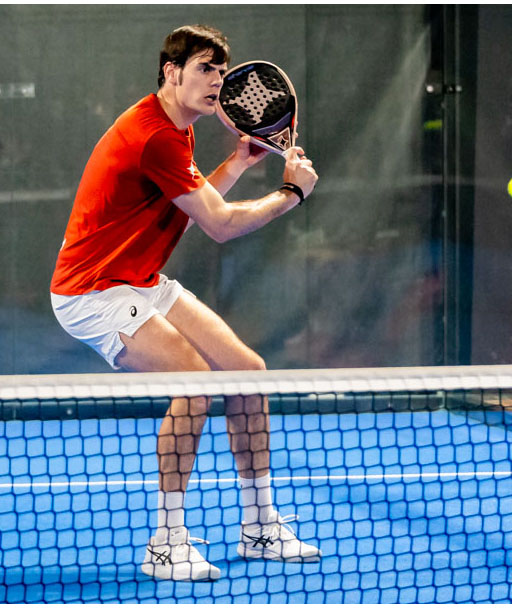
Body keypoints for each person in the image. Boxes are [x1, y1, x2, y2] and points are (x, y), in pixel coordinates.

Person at [50, 24, 320, 582]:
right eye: (204, 68)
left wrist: (239, 163)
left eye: (221, 70)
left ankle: (259, 527)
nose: (217, 81)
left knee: (248, 373)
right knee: (195, 384)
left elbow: (192, 207)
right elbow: (219, 225)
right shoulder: (156, 136)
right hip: (92, 292)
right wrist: (290, 193)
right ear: (171, 72)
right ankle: (166, 543)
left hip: (139, 278)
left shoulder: (176, 127)